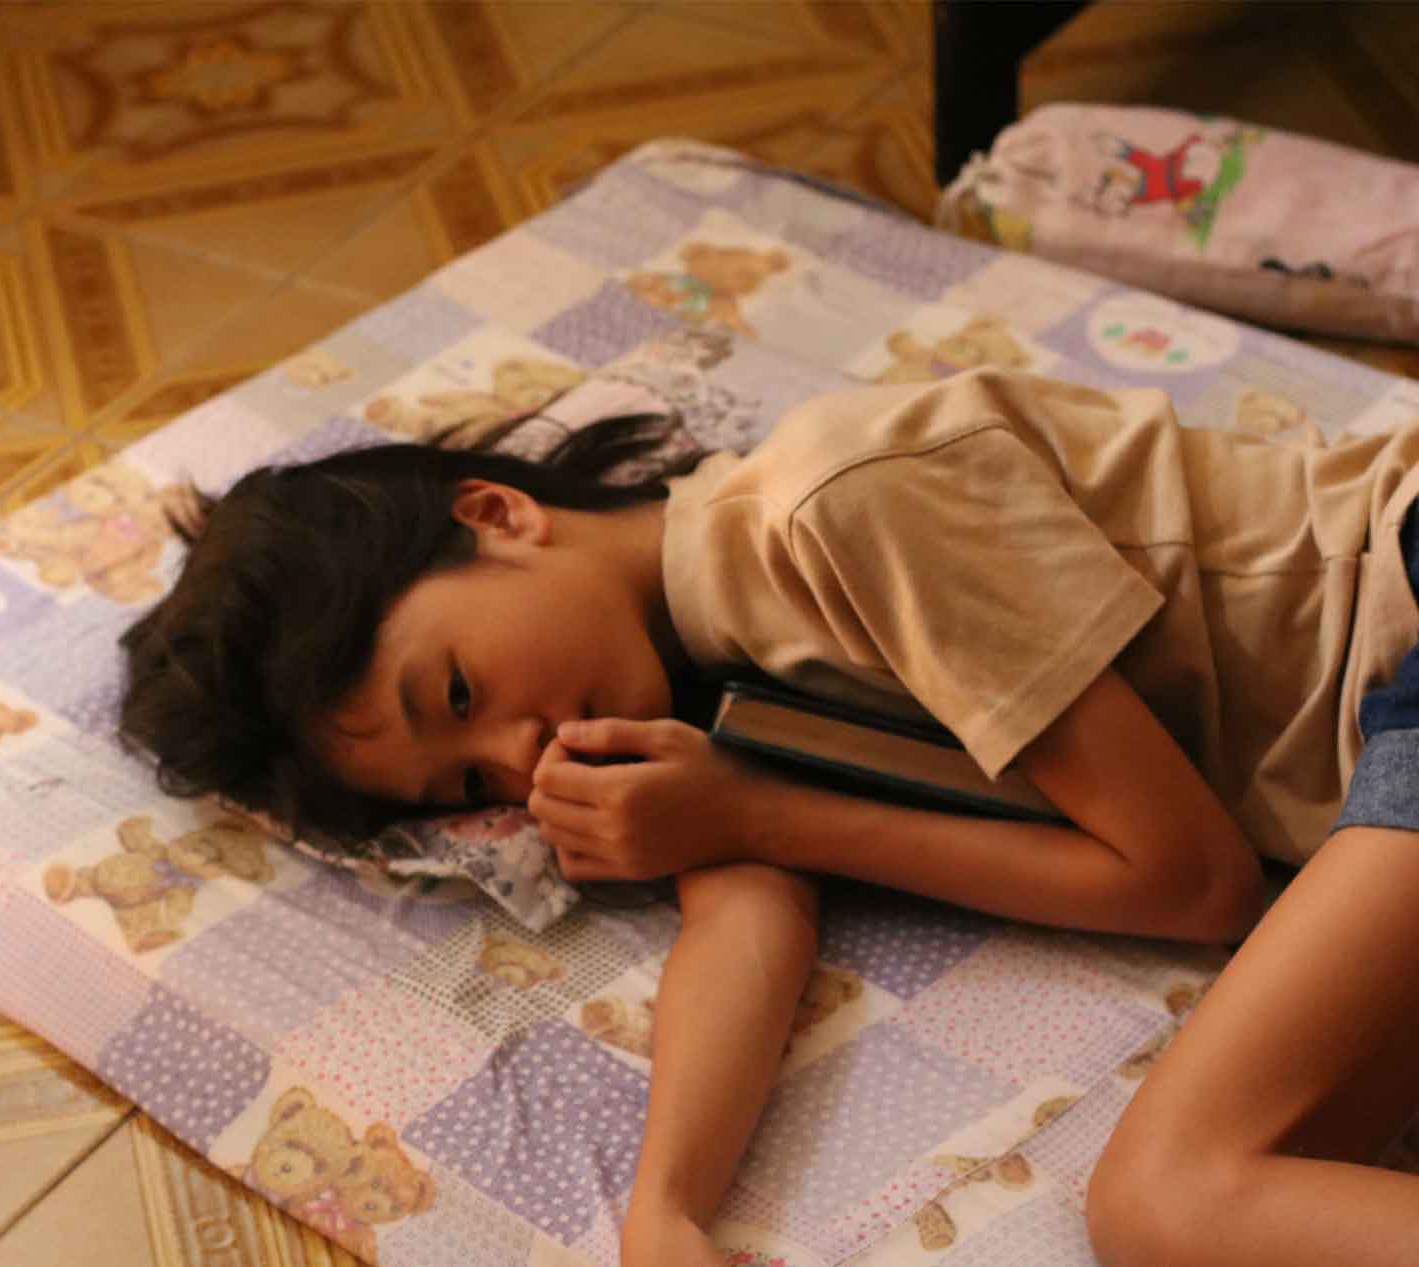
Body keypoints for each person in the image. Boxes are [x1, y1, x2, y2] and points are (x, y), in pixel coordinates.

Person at [119, 366, 1419, 1267]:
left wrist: (762, 815)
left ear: (500, 516)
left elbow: (1190, 881)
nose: (516, 760)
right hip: (1370, 769)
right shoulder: (702, 683)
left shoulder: (836, 508)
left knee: (1167, 1202)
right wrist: (667, 1212)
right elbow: (741, 924)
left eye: (456, 690)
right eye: (466, 785)